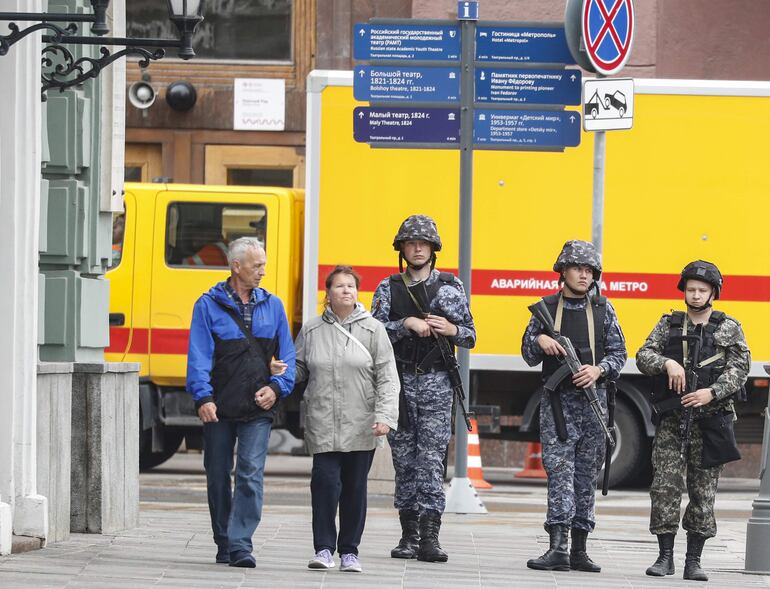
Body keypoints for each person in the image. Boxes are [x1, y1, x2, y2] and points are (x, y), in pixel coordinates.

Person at [371, 215, 476, 563]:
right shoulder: (388, 288)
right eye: (411, 243)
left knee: (431, 460)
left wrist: (449, 329)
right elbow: (373, 332)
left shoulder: (450, 287)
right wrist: (405, 323)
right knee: (404, 461)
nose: (417, 248)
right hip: (398, 383)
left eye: (423, 243)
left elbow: (471, 335)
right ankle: (408, 535)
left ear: (433, 249)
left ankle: (430, 536)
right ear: (402, 249)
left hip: (436, 383)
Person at [186, 236, 296, 568]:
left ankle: (240, 544)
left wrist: (276, 387)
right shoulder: (207, 305)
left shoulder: (273, 305)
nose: (263, 271)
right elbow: (198, 356)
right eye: (257, 265)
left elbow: (288, 357)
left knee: (250, 474)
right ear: (237, 266)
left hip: (257, 409)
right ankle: (224, 539)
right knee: (217, 474)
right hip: (218, 407)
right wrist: (203, 396)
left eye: (263, 264)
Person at [637, 260, 750, 581]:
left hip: (711, 421)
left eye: (702, 290)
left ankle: (694, 560)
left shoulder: (729, 327)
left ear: (713, 292)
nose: (696, 295)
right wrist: (668, 364)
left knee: (703, 492)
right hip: (673, 420)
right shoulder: (669, 324)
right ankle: (664, 557)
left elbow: (740, 368)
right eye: (691, 290)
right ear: (683, 291)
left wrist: (711, 393)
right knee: (664, 487)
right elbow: (643, 355)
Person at [521, 239, 627, 573]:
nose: (583, 275)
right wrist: (540, 340)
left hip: (592, 404)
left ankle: (580, 548)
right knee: (559, 473)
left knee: (585, 476)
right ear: (562, 271)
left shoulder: (603, 309)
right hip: (557, 405)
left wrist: (597, 370)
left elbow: (619, 354)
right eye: (577, 268)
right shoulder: (546, 308)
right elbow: (527, 353)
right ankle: (558, 547)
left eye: (588, 270)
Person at [295, 266, 399, 573]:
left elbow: (388, 377)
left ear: (357, 292)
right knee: (324, 485)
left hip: (362, 422)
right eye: (339, 286)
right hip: (323, 420)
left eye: (351, 286)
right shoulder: (312, 330)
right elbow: (300, 367)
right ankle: (324, 548)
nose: (345, 290)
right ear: (327, 293)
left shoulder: (373, 330)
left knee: (355, 488)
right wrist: (284, 372)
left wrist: (384, 417)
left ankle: (350, 551)